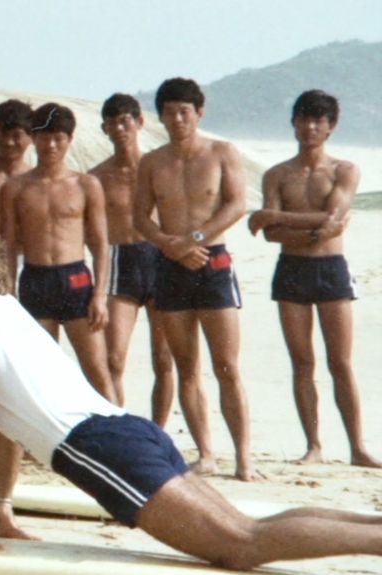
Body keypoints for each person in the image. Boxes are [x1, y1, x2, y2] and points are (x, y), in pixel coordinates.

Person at [0, 214, 382, 571]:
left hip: (97, 449)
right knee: (248, 529)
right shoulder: (3, 307)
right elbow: (3, 421)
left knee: (241, 547)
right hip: (126, 430)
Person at [133, 78, 257, 481]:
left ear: (199, 112)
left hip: (212, 260)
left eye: (185, 111)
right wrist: (170, 244)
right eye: (170, 112)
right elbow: (139, 217)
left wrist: (194, 239)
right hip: (171, 262)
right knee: (186, 365)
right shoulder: (152, 162)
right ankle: (206, 453)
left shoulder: (222, 152)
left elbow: (237, 203)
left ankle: (243, 457)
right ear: (161, 116)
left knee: (227, 365)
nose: (178, 118)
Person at [249, 90, 381, 468]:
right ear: (293, 122)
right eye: (303, 119)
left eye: (318, 121)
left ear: (331, 126)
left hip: (331, 268)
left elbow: (330, 218)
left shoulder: (345, 170)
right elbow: (271, 235)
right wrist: (308, 227)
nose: (309, 128)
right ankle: (314, 445)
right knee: (302, 360)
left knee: (340, 361)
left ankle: (357, 446)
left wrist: (276, 217)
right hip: (291, 269)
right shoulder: (277, 174)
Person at [1, 103, 117, 405]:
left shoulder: (85, 184)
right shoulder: (15, 188)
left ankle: (122, 444)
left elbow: (100, 244)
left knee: (96, 368)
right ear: (33, 138)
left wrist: (99, 296)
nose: (50, 145)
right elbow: (9, 246)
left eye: (58, 138)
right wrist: (9, 295)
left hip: (76, 278)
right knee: (41, 370)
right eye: (44, 137)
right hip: (35, 279)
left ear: (69, 140)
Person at [89, 94, 174, 422]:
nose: (120, 127)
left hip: (159, 257)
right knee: (113, 358)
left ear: (140, 122)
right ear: (104, 129)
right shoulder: (97, 177)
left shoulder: (158, 168)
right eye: (113, 122)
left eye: (126, 120)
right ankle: (119, 426)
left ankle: (159, 431)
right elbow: (88, 229)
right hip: (119, 259)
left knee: (163, 357)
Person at [0, 99, 32, 234]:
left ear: (32, 137)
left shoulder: (37, 180)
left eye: (17, 136)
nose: (9, 142)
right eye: (3, 134)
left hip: (25, 253)